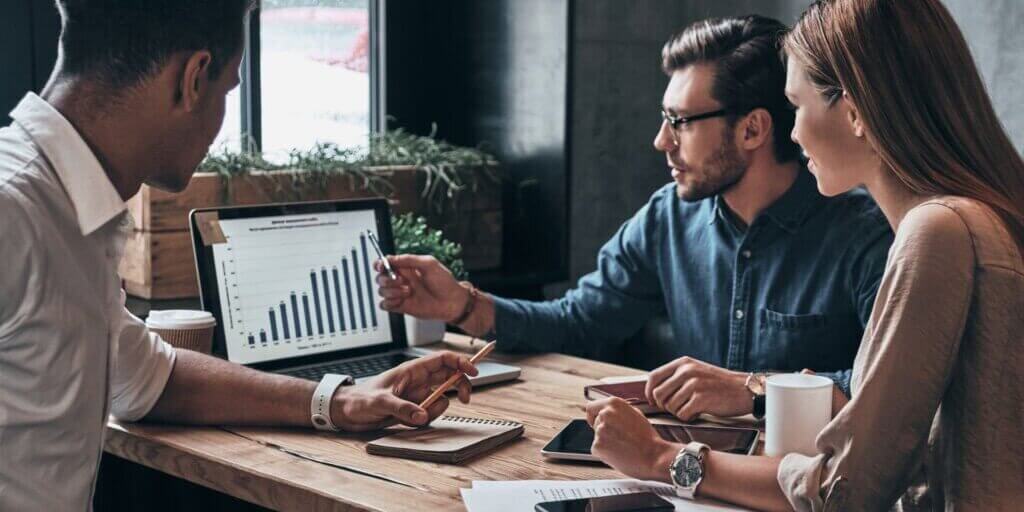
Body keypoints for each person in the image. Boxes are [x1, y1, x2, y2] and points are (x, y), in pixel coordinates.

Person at [0, 2, 477, 509]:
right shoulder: (13, 211)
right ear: (193, 77)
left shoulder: (68, 210)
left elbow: (148, 379)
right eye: (229, 89)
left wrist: (339, 400)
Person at [584, 0, 1024, 510]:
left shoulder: (939, 231)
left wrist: (660, 458)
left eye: (796, 106)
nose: (790, 132)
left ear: (856, 110)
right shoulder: (979, 219)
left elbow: (845, 491)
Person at [376, 15, 892, 421]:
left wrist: (751, 389)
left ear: (753, 130)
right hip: (684, 477)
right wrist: (462, 304)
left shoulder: (865, 236)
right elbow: (579, 323)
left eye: (680, 123)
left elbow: (885, 392)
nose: (661, 141)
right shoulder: (667, 218)